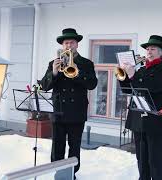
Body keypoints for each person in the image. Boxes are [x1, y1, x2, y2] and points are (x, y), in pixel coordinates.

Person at [40, 28, 97, 179]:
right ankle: (59, 173)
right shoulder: (53, 63)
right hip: (58, 111)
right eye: (66, 43)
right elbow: (45, 86)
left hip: (76, 112)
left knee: (74, 145)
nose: (68, 46)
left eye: (72, 42)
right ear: (62, 45)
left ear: (77, 45)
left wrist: (78, 73)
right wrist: (53, 72)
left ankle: (72, 173)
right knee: (57, 145)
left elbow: (92, 84)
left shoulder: (86, 63)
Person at [118, 35, 162, 180]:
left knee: (154, 160)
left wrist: (133, 75)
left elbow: (152, 87)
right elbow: (129, 90)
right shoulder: (141, 69)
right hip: (138, 119)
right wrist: (123, 75)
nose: (148, 51)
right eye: (147, 49)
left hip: (155, 121)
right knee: (141, 160)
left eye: (153, 48)